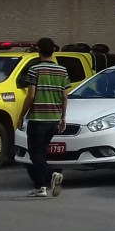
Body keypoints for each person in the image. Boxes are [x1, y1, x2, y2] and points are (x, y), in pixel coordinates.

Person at [18, 38, 70, 198]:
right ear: (53, 51)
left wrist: (21, 116)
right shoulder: (62, 71)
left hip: (38, 119)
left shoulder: (35, 70)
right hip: (54, 119)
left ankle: (52, 174)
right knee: (42, 153)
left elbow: (31, 95)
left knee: (34, 155)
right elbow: (64, 96)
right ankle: (40, 187)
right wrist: (63, 117)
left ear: (38, 50)